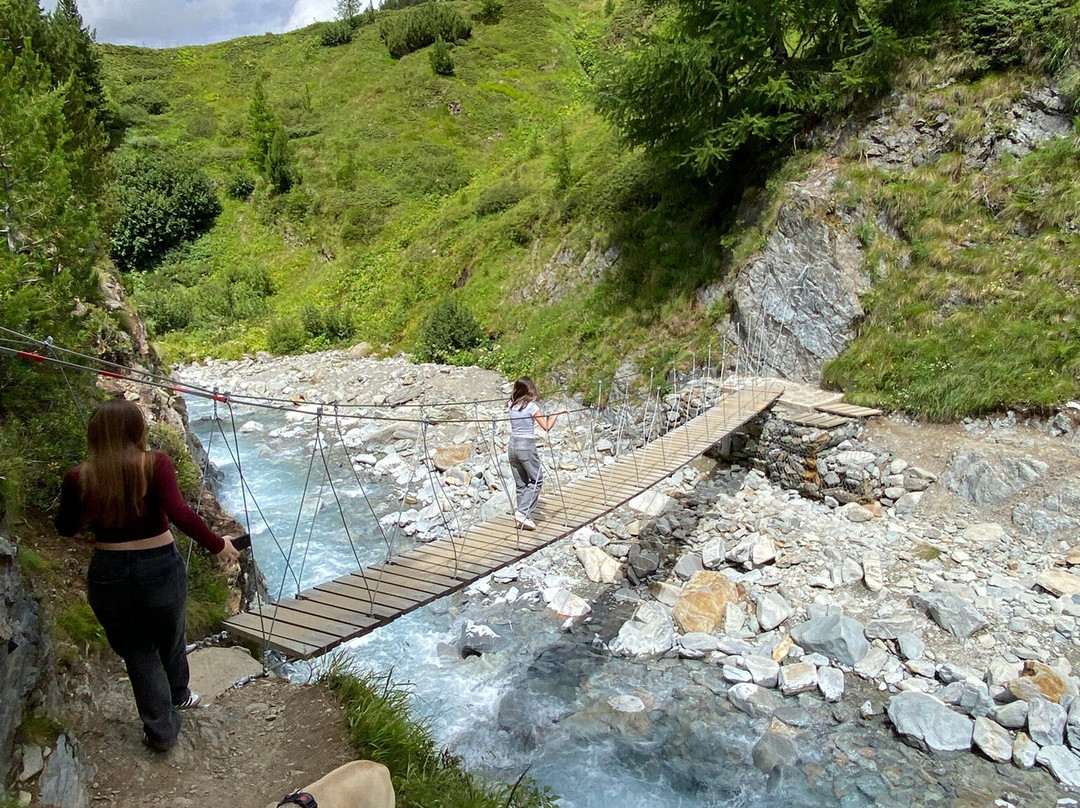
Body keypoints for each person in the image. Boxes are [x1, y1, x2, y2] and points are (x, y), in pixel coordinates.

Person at [55, 398, 239, 752]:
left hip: (109, 571)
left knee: (138, 650)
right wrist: (218, 545)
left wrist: (90, 514)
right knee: (171, 634)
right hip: (159, 567)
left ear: (95, 434)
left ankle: (161, 730)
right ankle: (179, 695)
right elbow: (180, 513)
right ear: (137, 430)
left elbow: (65, 527)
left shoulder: (79, 476)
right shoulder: (155, 464)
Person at [507, 377, 568, 530]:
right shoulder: (531, 407)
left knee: (521, 484)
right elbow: (546, 426)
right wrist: (556, 413)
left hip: (512, 445)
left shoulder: (511, 405)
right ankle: (522, 512)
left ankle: (522, 517)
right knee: (537, 479)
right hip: (526, 446)